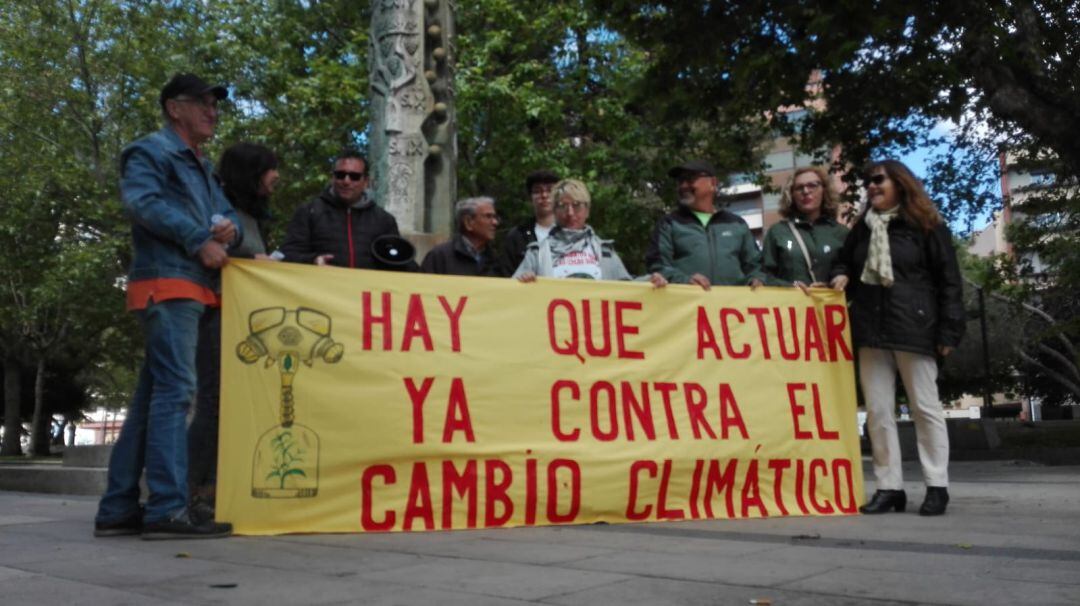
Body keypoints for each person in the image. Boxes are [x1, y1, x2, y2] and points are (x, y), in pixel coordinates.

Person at [95, 73, 236, 539]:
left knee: (150, 401)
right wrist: (199, 239)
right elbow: (143, 204)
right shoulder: (148, 151)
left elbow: (224, 211)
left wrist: (227, 229)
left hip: (190, 285)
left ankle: (118, 509)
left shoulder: (201, 163)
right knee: (175, 395)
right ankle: (167, 510)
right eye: (202, 102)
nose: (212, 111)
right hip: (167, 283)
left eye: (215, 104)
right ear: (174, 108)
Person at [829, 159, 965, 516]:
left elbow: (949, 279)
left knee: (925, 408)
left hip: (915, 327)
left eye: (878, 180)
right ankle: (889, 487)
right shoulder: (862, 228)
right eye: (867, 183)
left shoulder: (927, 225)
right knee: (877, 411)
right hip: (870, 329)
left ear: (900, 184)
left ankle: (937, 485)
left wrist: (949, 329)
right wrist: (842, 275)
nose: (871, 187)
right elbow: (844, 262)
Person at [187, 142, 280, 521]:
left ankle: (213, 488)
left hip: (240, 322)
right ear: (253, 173)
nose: (277, 177)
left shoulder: (252, 215)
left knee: (224, 404)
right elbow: (218, 255)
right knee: (211, 403)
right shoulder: (221, 211)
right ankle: (191, 490)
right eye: (271, 169)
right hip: (214, 315)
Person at [514, 179, 666, 286]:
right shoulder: (537, 252)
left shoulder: (605, 251)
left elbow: (626, 287)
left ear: (587, 210)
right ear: (554, 211)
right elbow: (511, 290)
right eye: (562, 206)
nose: (570, 213)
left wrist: (649, 281)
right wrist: (524, 281)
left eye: (577, 205)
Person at [646, 160, 764, 290]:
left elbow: (756, 265)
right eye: (680, 181)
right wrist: (685, 280)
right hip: (689, 307)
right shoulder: (669, 224)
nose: (683, 186)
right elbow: (658, 266)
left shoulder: (736, 224)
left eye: (690, 179)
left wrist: (756, 279)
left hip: (731, 308)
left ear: (713, 183)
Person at [279, 150, 401, 268]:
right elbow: (287, 255)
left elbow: (398, 263)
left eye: (354, 176)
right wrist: (313, 261)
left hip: (365, 289)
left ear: (366, 182)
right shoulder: (308, 212)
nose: (346, 181)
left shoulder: (384, 220)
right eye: (340, 175)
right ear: (332, 178)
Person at [762, 166, 849, 290]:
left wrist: (841, 278)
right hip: (791, 306)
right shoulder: (777, 232)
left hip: (831, 306)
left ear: (824, 190)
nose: (806, 191)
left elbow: (854, 271)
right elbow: (764, 275)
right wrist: (790, 287)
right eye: (799, 188)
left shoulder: (841, 233)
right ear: (791, 195)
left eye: (812, 185)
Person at [421, 197, 504, 276]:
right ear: (468, 222)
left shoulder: (496, 259)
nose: (495, 222)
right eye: (488, 216)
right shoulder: (439, 256)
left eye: (495, 217)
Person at [501, 169, 560, 275]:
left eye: (550, 190)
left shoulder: (571, 233)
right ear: (530, 197)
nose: (544, 195)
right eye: (537, 191)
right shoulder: (516, 236)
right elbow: (506, 275)